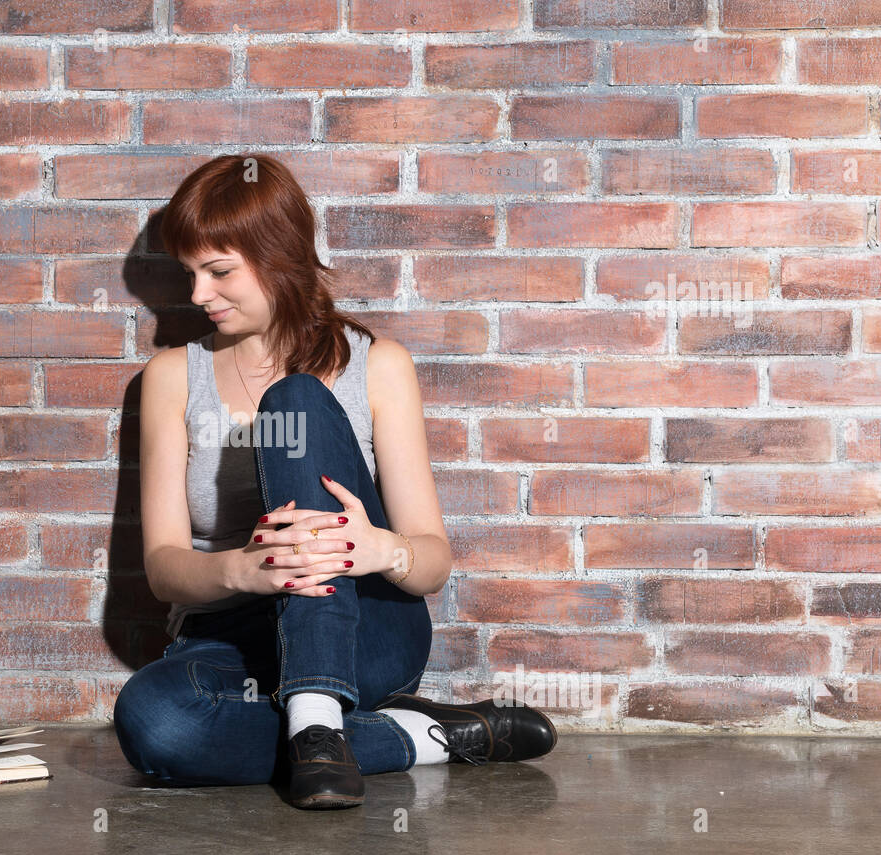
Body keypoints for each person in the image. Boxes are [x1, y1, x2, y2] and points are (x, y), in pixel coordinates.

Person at [115, 154, 556, 811]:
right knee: (158, 720)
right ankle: (415, 735)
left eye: (219, 271)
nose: (199, 296)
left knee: (295, 400)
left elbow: (431, 559)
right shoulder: (173, 378)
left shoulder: (377, 366)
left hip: (363, 633)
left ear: (278, 255)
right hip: (233, 640)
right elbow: (165, 568)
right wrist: (245, 569)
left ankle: (318, 710)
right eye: (190, 274)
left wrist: (379, 549)